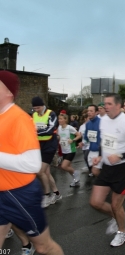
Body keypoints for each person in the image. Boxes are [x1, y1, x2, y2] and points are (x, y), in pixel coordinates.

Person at [0, 70, 64, 254]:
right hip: (2, 193)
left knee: (44, 247)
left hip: (19, 194)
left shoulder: (19, 118)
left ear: (8, 92)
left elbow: (32, 164)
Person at [90, 94, 125, 247]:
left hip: (124, 168)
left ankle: (122, 232)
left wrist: (120, 156)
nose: (105, 106)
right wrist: (100, 157)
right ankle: (118, 216)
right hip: (108, 167)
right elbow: (104, 140)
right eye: (104, 103)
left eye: (108, 103)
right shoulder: (104, 120)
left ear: (118, 106)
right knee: (95, 202)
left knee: (116, 205)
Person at [31, 96, 61, 208]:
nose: (36, 110)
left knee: (40, 172)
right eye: (34, 108)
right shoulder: (33, 115)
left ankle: (46, 195)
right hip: (38, 146)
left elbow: (51, 129)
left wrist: (35, 132)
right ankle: (57, 193)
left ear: (42, 105)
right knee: (46, 173)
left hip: (49, 146)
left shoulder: (51, 114)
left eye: (38, 107)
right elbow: (30, 127)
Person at [57, 113, 81, 187]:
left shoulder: (70, 128)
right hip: (64, 150)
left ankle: (76, 173)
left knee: (64, 166)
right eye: (59, 119)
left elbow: (79, 135)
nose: (59, 120)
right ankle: (76, 181)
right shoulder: (59, 128)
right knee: (69, 167)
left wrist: (73, 140)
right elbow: (59, 136)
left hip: (71, 150)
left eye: (61, 119)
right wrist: (59, 139)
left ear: (65, 120)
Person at [84, 105, 102, 177]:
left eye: (91, 111)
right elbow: (86, 137)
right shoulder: (88, 123)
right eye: (88, 111)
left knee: (95, 171)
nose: (89, 112)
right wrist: (83, 142)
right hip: (91, 150)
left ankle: (102, 185)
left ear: (96, 112)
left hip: (99, 151)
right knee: (94, 171)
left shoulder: (101, 122)